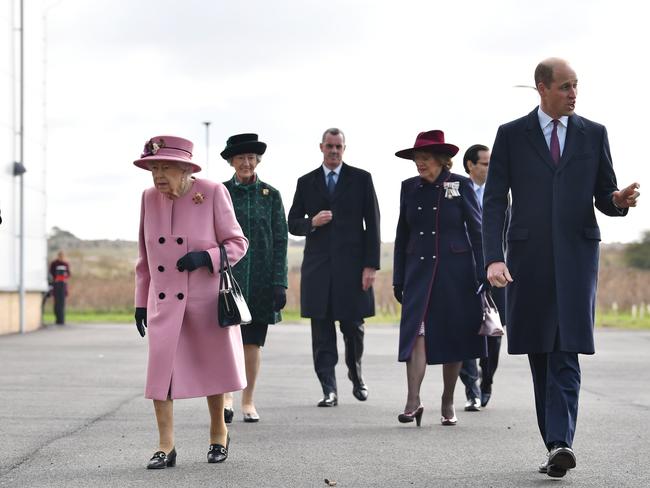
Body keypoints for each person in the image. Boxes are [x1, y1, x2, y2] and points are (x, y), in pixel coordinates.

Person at [482, 58, 640, 478]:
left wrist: (618, 201)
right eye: (566, 86)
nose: (574, 93)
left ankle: (561, 442)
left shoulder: (594, 134)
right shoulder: (512, 135)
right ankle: (554, 440)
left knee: (566, 348)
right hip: (527, 259)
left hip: (576, 258)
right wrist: (493, 257)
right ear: (542, 88)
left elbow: (604, 193)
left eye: (576, 86)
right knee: (540, 350)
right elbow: (495, 199)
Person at [133, 135, 249, 469]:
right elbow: (144, 259)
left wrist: (206, 257)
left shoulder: (212, 192)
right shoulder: (148, 198)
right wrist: (141, 302)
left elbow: (238, 243)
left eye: (165, 167)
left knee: (213, 369)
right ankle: (165, 445)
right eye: (154, 167)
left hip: (205, 300)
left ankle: (218, 433)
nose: (158, 175)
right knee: (161, 374)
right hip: (165, 302)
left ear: (185, 169)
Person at [393, 130, 487, 426]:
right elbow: (401, 235)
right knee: (416, 335)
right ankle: (413, 401)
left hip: (455, 274)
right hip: (418, 273)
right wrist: (399, 277)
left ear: (441, 160)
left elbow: (476, 229)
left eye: (424, 158)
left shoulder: (459, 185)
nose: (419, 164)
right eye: (416, 159)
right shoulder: (409, 187)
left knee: (453, 338)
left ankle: (448, 400)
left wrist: (484, 271)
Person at [288, 127, 380, 407]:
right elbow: (292, 222)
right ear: (321, 147)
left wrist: (370, 266)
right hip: (318, 270)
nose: (334, 151)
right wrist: (311, 223)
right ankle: (329, 388)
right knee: (322, 331)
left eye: (338, 146)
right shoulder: (306, 182)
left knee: (353, 328)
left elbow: (373, 224)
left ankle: (356, 374)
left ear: (344, 148)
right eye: (329, 146)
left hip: (353, 269)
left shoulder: (361, 179)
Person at [220, 133, 289, 423]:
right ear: (231, 161)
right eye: (240, 158)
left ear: (257, 160)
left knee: (252, 343)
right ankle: (226, 397)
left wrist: (279, 282)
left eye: (250, 157)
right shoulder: (219, 192)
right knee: (225, 340)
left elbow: (281, 240)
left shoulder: (271, 195)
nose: (246, 163)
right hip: (227, 279)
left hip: (261, 280)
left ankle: (248, 400)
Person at [458, 144, 506, 411]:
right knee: (466, 331)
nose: (490, 167)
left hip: (496, 272)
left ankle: (486, 381)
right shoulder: (457, 190)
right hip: (464, 270)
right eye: (485, 163)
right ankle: (471, 389)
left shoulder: (501, 195)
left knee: (493, 333)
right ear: (470, 165)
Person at [49, 251, 71, 325]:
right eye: (60, 256)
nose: (61, 257)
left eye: (62, 256)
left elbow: (68, 274)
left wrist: (64, 277)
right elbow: (51, 273)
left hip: (62, 286)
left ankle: (61, 319)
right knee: (56, 304)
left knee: (62, 303)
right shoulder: (54, 264)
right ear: (58, 256)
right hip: (56, 286)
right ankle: (57, 318)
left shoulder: (65, 264)